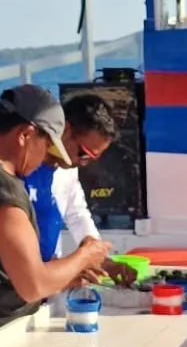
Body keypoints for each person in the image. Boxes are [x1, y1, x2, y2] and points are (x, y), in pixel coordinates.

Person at [0, 84, 112, 343]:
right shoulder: (2, 191)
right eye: (47, 146)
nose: (47, 158)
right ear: (26, 135)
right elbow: (33, 285)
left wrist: (65, 278)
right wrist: (85, 256)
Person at [24, 90, 120, 263]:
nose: (84, 163)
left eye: (92, 158)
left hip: (49, 273)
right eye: (83, 153)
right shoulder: (19, 169)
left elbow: (76, 212)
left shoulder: (66, 168)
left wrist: (94, 250)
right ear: (65, 129)